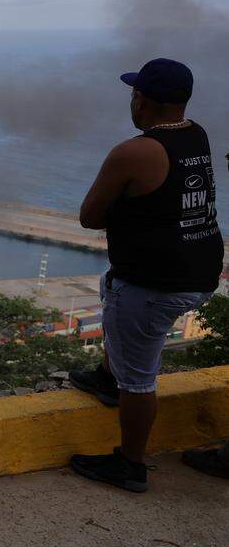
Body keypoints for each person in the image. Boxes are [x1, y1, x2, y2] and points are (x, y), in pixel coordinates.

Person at [69, 58, 222, 492]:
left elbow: (89, 216)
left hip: (155, 282)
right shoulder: (197, 134)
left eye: (134, 94)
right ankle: (106, 375)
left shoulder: (133, 151)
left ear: (143, 101)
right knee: (108, 286)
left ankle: (130, 464)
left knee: (139, 379)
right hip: (199, 269)